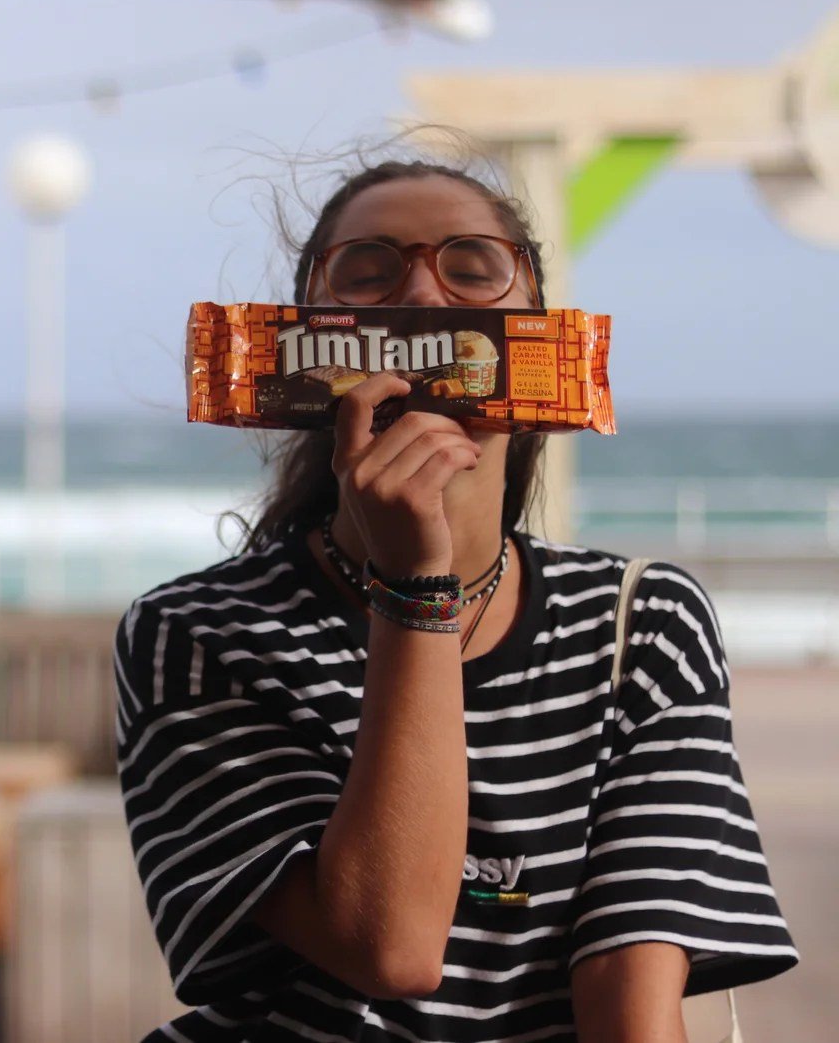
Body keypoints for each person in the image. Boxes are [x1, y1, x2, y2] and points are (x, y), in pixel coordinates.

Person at [114, 158, 798, 1042]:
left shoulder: (644, 626)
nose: (422, 300)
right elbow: (388, 945)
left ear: (536, 331)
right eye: (368, 271)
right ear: (306, 339)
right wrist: (416, 589)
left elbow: (631, 1002)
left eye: (473, 269)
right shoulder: (195, 636)